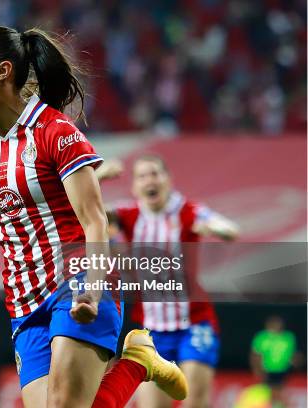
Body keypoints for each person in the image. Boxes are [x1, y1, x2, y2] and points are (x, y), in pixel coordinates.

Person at [0, 25, 187, 408]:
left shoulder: (55, 132)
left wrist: (95, 287)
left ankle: (134, 359)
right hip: (24, 305)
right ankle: (137, 361)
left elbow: (95, 221)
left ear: (2, 71)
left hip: (78, 281)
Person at [99, 155, 239, 408]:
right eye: (142, 176)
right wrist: (98, 176)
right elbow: (86, 206)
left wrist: (218, 229)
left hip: (194, 323)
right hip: (153, 328)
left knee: (194, 399)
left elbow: (227, 228)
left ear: (167, 180)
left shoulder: (187, 211)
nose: (150, 180)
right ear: (135, 186)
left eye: (155, 174)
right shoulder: (128, 215)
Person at [250, 315, 298, 408]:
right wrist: (257, 369)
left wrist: (294, 361)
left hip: (282, 370)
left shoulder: (288, 337)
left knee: (277, 393)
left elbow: (291, 355)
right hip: (266, 370)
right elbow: (255, 355)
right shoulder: (262, 337)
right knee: (270, 393)